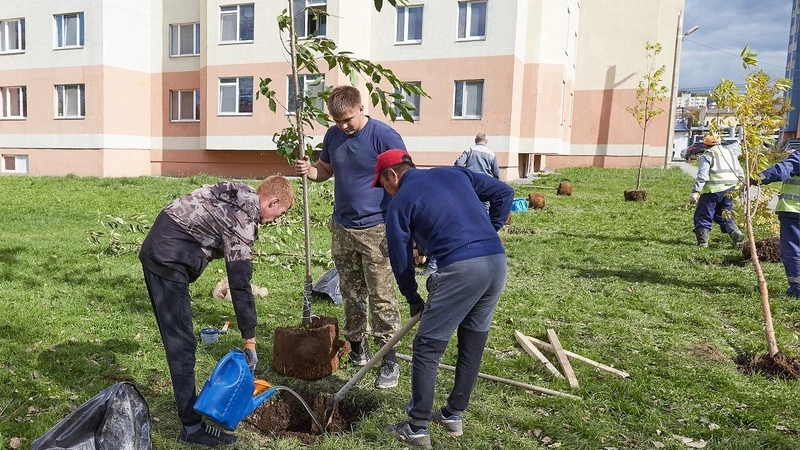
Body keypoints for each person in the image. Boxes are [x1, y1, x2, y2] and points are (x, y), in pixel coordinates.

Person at [373, 150, 513, 449]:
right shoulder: (454, 172)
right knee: (472, 341)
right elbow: (504, 191)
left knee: (426, 347)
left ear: (391, 175)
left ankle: (417, 427)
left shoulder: (401, 201)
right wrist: (490, 230)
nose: (385, 192)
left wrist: (412, 295)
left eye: (382, 184)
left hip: (461, 269)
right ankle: (452, 415)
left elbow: (399, 257)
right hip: (496, 262)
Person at [139, 176, 294, 447]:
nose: (276, 220)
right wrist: (250, 340)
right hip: (168, 257)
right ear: (272, 201)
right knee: (182, 346)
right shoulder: (242, 222)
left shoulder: (240, 194)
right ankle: (191, 428)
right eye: (279, 214)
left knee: (180, 341)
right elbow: (240, 283)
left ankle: (191, 419)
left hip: (161, 245)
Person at [294, 85, 404, 389]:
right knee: (350, 291)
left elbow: (403, 178)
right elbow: (324, 170)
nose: (343, 126)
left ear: (360, 108)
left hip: (376, 228)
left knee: (381, 294)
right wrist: (309, 169)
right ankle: (356, 347)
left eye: (347, 120)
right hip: (342, 227)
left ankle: (389, 359)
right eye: (337, 120)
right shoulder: (333, 136)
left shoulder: (384, 137)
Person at [753, 148, 800, 297]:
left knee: (793, 251)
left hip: (794, 211)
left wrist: (758, 177)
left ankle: (797, 291)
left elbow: (783, 169)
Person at [688, 134, 745, 248]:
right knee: (724, 214)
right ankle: (735, 232)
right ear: (720, 142)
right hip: (730, 190)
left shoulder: (708, 155)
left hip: (712, 191)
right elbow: (740, 173)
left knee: (703, 215)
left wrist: (695, 191)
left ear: (706, 144)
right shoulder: (730, 153)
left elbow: (703, 176)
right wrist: (741, 187)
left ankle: (703, 243)